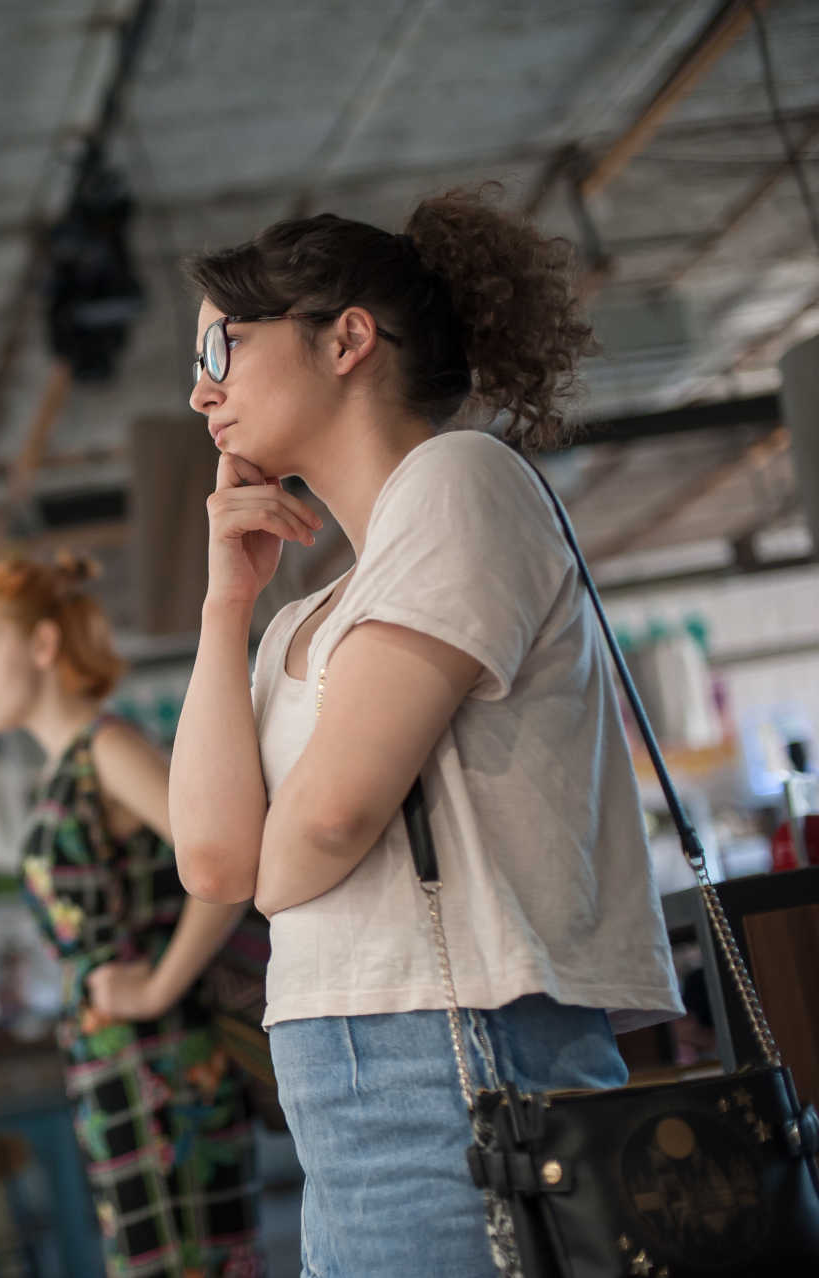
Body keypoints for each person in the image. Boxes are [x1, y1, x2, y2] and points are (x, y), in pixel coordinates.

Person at [167, 186, 684, 1277]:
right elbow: (215, 864)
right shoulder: (305, 620)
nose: (200, 389)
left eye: (223, 345)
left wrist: (278, 863)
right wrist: (225, 605)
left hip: (459, 1064)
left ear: (346, 339)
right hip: (350, 1087)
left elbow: (323, 828)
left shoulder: (461, 479)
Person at [0, 554, 266, 1278]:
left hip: (168, 1061)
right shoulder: (64, 768)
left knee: (195, 1262)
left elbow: (226, 868)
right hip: (116, 1066)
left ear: (42, 644)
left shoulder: (106, 748)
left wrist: (158, 987)